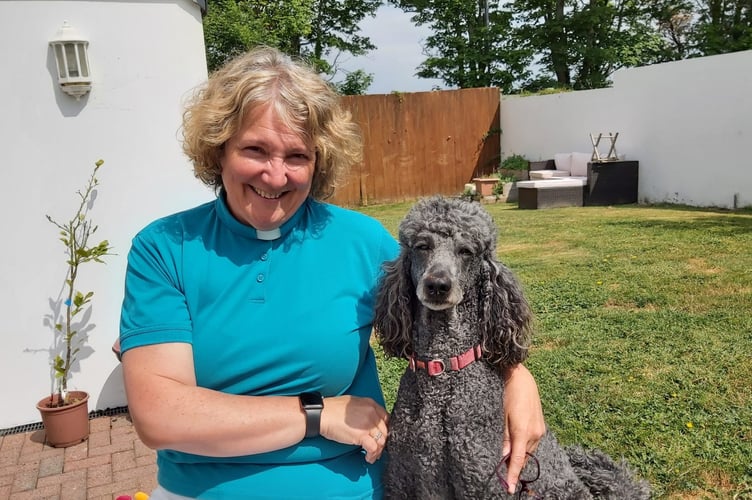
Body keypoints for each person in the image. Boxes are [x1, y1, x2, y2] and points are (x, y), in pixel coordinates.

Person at [119, 46, 545, 500]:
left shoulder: (361, 242)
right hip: (201, 490)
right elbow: (160, 415)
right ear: (218, 149)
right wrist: (317, 414)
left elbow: (460, 310)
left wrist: (517, 376)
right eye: (255, 149)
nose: (276, 175)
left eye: (297, 156)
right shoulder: (165, 247)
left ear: (319, 162)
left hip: (346, 485)